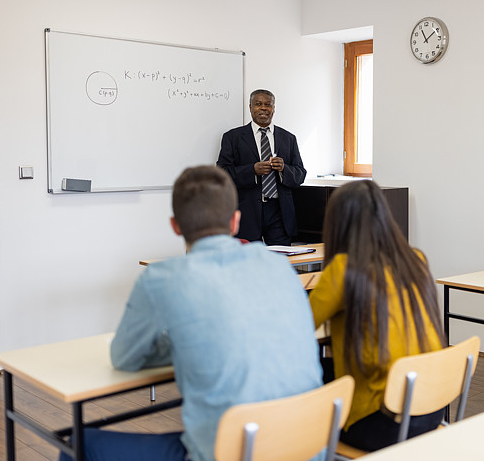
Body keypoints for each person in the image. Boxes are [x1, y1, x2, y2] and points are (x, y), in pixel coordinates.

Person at [60, 166, 322, 461]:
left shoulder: (162, 277)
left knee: (79, 443)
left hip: (234, 452)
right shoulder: (279, 267)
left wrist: (183, 343)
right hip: (308, 445)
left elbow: (124, 357)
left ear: (175, 226)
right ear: (236, 221)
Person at [308, 180, 445, 451]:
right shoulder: (415, 259)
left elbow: (300, 326)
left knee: (306, 378)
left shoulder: (343, 270)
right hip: (431, 407)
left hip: (383, 423)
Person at [216, 89, 307, 245]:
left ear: (274, 108)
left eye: (268, 105)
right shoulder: (233, 137)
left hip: (279, 212)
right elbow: (222, 174)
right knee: (248, 264)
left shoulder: (288, 138)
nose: (263, 108)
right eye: (258, 104)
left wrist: (284, 169)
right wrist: (252, 170)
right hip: (247, 212)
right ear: (250, 107)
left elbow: (300, 175)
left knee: (279, 262)